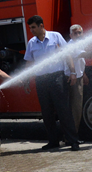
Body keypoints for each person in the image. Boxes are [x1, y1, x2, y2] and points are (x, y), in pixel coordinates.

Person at [24, 15, 79, 150]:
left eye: (33, 27)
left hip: (57, 78)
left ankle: (73, 141)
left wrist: (73, 72)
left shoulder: (56, 36)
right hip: (41, 80)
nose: (31, 30)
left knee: (64, 110)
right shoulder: (31, 43)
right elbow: (29, 62)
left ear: (41, 26)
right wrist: (26, 79)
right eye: (30, 28)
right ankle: (53, 141)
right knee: (47, 113)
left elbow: (67, 54)